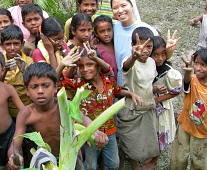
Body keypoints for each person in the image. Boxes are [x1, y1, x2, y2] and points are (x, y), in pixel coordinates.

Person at [7, 62, 109, 169]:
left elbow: (83, 119)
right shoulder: (26, 114)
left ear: (56, 87)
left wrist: (96, 132)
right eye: (34, 87)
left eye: (46, 86)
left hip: (71, 156)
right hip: (45, 161)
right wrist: (13, 155)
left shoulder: (64, 106)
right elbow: (15, 143)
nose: (40, 91)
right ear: (27, 91)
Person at [60, 48, 142, 170]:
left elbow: (117, 90)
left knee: (114, 164)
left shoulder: (108, 80)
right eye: (81, 66)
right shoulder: (79, 84)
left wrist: (130, 94)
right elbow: (62, 83)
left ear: (98, 66)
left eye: (90, 64)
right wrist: (65, 65)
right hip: (90, 133)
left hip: (110, 131)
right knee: (91, 166)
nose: (85, 69)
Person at [117, 27, 160, 169]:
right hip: (131, 110)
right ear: (132, 46)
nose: (145, 50)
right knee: (131, 143)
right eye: (140, 46)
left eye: (149, 46)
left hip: (147, 107)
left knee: (148, 143)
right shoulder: (130, 62)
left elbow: (147, 84)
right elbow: (126, 66)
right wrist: (134, 56)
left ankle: (141, 163)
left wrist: (155, 89)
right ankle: (133, 164)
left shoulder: (152, 62)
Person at [171, 48, 207, 169]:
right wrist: (187, 71)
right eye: (196, 63)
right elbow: (186, 83)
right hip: (185, 127)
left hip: (203, 134)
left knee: (199, 162)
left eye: (203, 65)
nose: (198, 68)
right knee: (179, 159)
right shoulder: (193, 79)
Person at [150, 36, 182, 151]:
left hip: (161, 108)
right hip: (146, 106)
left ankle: (155, 156)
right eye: (155, 55)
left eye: (163, 54)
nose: (160, 58)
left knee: (160, 127)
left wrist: (157, 100)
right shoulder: (145, 67)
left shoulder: (168, 71)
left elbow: (176, 92)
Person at [0, 25, 34, 119]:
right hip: (6, 112)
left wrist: (24, 70)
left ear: (22, 44)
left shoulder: (29, 61)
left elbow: (34, 84)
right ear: (2, 45)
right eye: (8, 44)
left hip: (28, 108)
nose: (12, 48)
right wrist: (5, 70)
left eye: (16, 44)